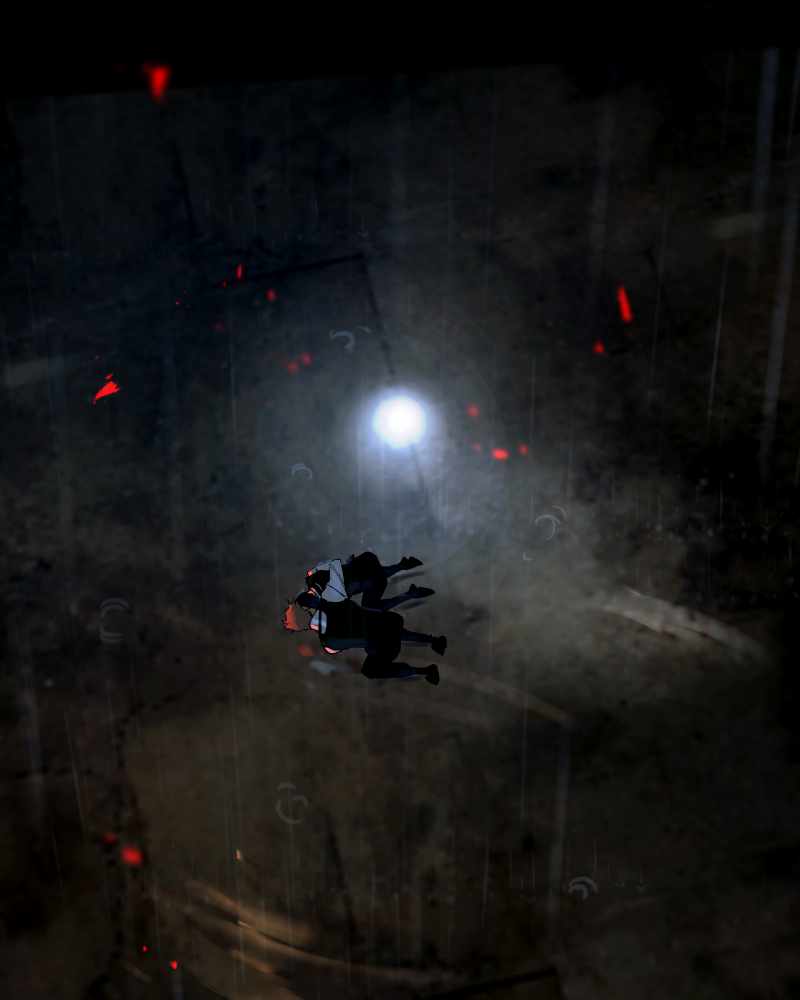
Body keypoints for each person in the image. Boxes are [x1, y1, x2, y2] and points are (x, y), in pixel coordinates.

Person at [281, 587, 446, 685]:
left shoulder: (329, 633)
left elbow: (351, 639)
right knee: (388, 634)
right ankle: (432, 645)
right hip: (388, 623)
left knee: (371, 667)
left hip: (383, 639)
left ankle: (426, 666)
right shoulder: (334, 607)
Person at [304, 551, 434, 610]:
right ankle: (403, 567)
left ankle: (410, 592)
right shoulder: (324, 582)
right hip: (368, 567)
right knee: (374, 575)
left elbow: (353, 584)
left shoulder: (328, 590)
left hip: (369, 575)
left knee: (370, 605)